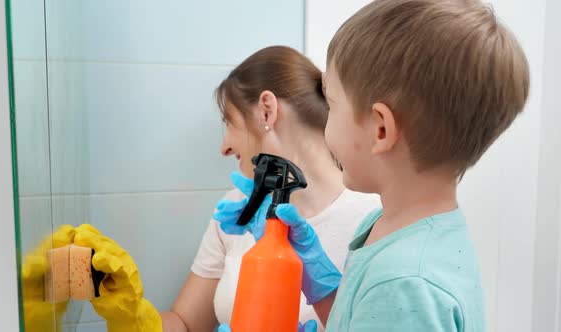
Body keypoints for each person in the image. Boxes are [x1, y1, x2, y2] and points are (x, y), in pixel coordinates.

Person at [215, 1, 530, 331]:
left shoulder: (406, 283)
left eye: (332, 105)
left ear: (380, 129)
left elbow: (388, 302)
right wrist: (319, 283)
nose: (326, 122)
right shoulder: (391, 226)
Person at [160, 45, 379, 331]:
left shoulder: (372, 220)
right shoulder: (238, 211)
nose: (224, 147)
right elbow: (185, 324)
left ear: (267, 111)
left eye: (229, 122)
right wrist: (129, 308)